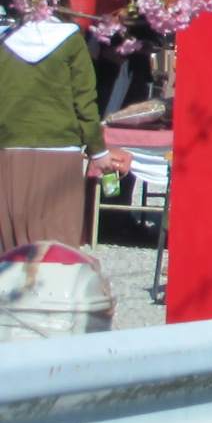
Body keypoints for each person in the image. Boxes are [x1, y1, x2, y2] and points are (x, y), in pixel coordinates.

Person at [0, 16, 121, 250]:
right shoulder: (71, 41)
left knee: (11, 244)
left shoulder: (5, 41)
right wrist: (98, 150)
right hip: (61, 151)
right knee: (57, 241)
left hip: (10, 148)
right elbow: (85, 102)